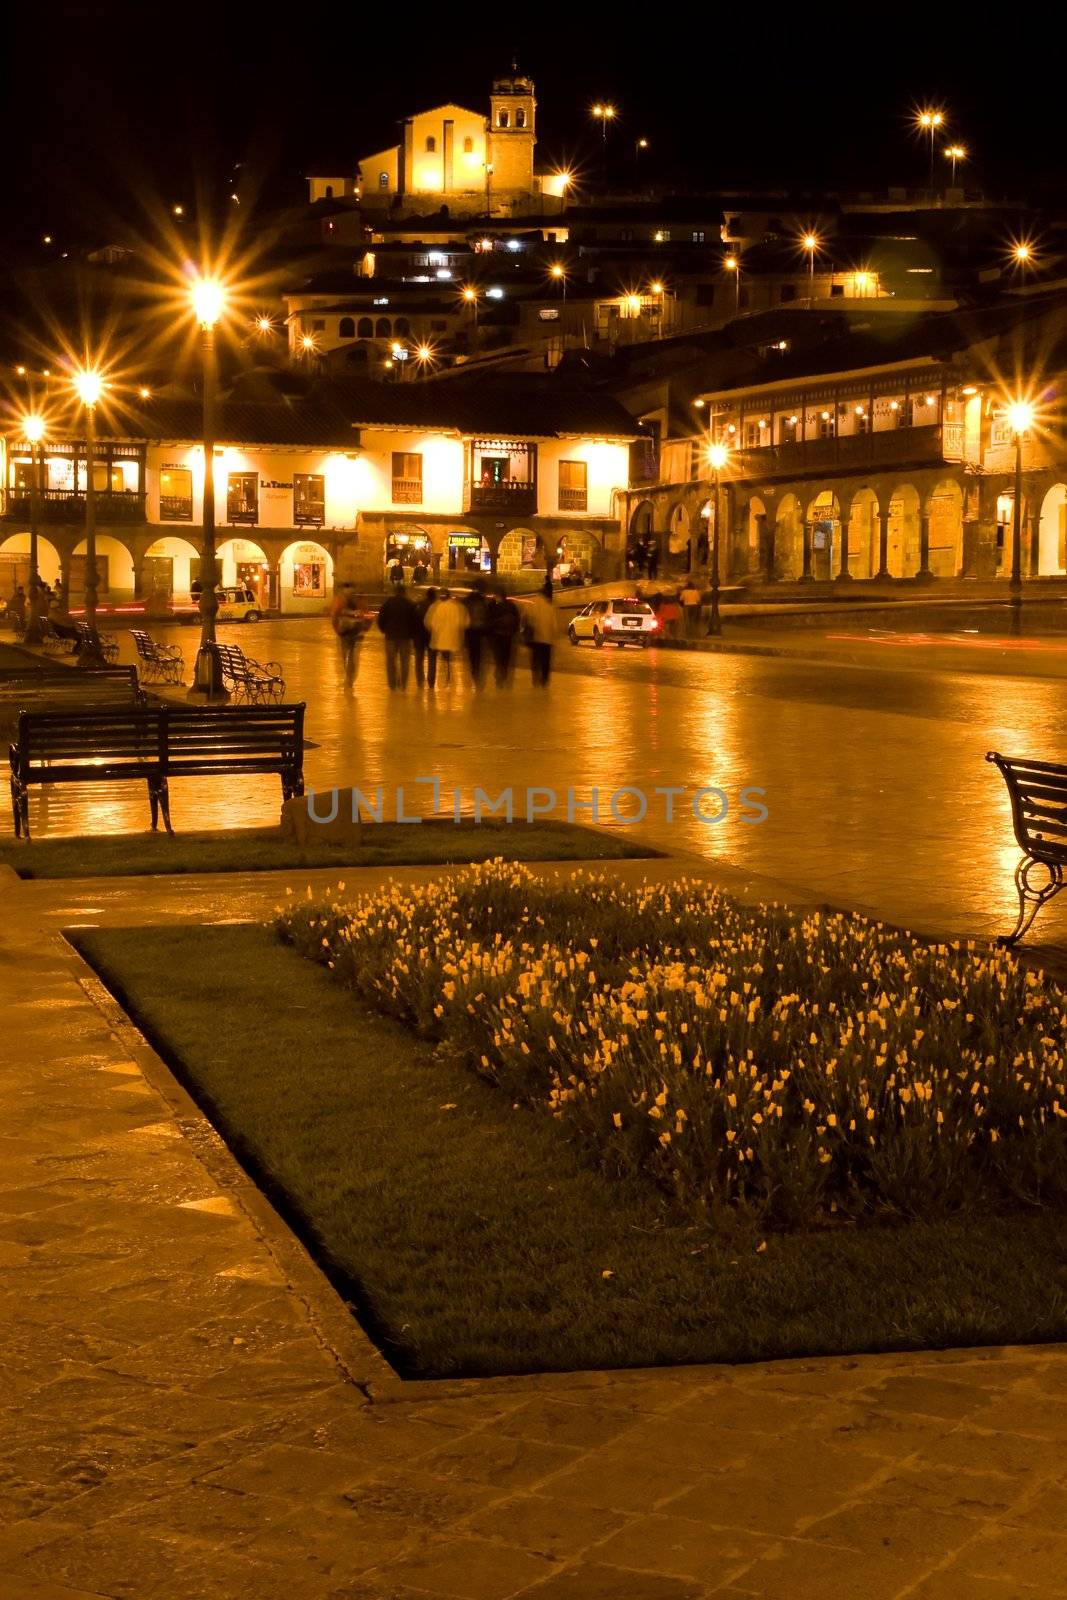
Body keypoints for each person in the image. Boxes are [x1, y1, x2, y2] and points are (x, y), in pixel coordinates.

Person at [376, 583, 416, 690]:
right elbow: (415, 621)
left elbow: (381, 619)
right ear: (404, 592)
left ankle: (392, 685)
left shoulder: (388, 603)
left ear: (395, 592)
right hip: (406, 637)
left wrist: (384, 630)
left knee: (390, 662)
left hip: (391, 636)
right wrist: (412, 634)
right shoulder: (410, 604)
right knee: (405, 661)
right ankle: (403, 685)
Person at [424, 587, 467, 686]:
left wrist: (434, 630)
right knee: (450, 662)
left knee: (432, 660)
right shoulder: (458, 607)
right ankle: (451, 682)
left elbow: (428, 622)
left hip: (436, 640)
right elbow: (464, 622)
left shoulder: (434, 607)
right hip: (452, 641)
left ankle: (431, 682)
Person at [330, 583, 365, 692]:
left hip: (345, 633)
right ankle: (349, 679)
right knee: (352, 657)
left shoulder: (340, 600)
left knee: (346, 657)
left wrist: (337, 630)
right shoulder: (357, 600)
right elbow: (365, 615)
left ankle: (348, 678)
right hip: (352, 633)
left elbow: (334, 616)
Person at [486, 588, 521, 686]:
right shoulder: (511, 606)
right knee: (505, 658)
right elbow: (517, 620)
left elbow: (489, 621)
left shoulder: (494, 607)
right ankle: (503, 675)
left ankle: (500, 677)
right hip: (507, 636)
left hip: (497, 636)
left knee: (499, 658)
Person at [525, 580, 556, 687]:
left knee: (535, 660)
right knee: (545, 661)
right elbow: (554, 625)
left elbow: (527, 619)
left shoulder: (532, 604)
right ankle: (544, 681)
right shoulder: (549, 606)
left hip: (535, 638)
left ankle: (535, 680)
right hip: (547, 639)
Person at [463, 579, 489, 687]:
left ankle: (474, 671)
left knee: (472, 653)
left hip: (469, 630)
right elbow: (487, 616)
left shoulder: (467, 601)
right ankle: (478, 672)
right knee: (479, 653)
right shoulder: (484, 602)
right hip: (480, 630)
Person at [413, 586, 436, 686]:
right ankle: (431, 682)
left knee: (419, 658)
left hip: (419, 635)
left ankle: (420, 680)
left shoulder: (420, 605)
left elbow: (413, 620)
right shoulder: (437, 606)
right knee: (432, 659)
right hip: (432, 636)